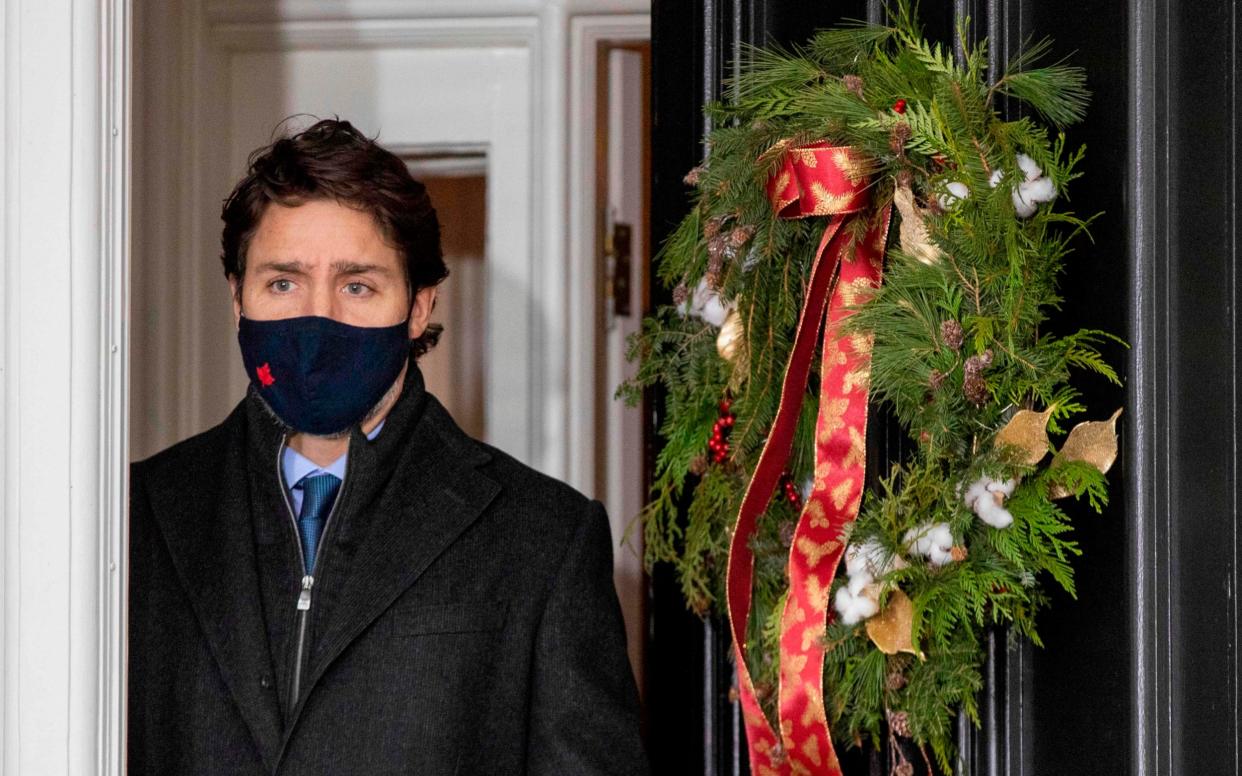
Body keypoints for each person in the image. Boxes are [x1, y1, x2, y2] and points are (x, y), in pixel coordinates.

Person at [128, 118, 650, 775]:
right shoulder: (135, 515)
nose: (317, 320)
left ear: (418, 307)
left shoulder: (543, 538)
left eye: (357, 286)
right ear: (238, 299)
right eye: (283, 283)